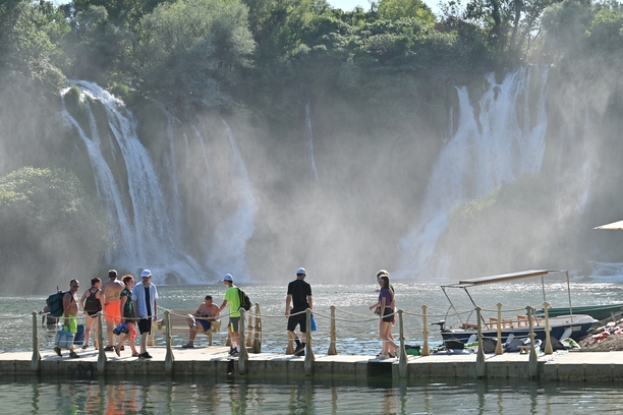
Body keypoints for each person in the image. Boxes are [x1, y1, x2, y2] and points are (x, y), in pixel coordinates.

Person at [285, 267, 313, 356]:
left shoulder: (291, 284)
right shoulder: (307, 285)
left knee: (290, 329)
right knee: (304, 331)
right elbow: (310, 299)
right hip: (305, 309)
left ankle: (299, 345)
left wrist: (286, 310)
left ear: (297, 275)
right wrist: (311, 310)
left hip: (296, 309)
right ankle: (302, 348)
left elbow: (289, 298)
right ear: (304, 275)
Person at [369, 274, 397, 359]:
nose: (379, 282)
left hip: (385, 312)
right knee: (387, 334)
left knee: (382, 335)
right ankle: (385, 353)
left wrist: (381, 316)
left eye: (381, 281)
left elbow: (383, 304)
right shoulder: (389, 290)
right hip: (390, 312)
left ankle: (397, 348)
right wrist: (393, 315)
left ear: (385, 282)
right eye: (379, 281)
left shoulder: (384, 291)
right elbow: (393, 303)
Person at [132, 269, 158, 359]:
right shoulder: (137, 287)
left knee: (146, 333)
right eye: (143, 277)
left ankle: (142, 351)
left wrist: (155, 314)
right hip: (141, 313)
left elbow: (155, 300)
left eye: (146, 277)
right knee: (145, 332)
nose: (145, 279)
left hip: (150, 313)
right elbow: (134, 301)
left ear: (150, 277)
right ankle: (143, 351)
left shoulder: (153, 287)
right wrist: (136, 314)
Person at [53, 279, 81, 358]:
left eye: (77, 286)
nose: (76, 288)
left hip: (73, 317)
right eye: (74, 286)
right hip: (69, 317)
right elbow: (65, 308)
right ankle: (71, 352)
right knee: (71, 334)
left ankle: (58, 348)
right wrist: (66, 319)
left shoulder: (75, 294)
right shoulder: (67, 295)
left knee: (70, 333)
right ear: (70, 285)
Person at [115, 274, 139, 357]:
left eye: (133, 281)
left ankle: (134, 352)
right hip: (127, 314)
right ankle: (118, 346)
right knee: (131, 333)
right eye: (131, 281)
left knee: (131, 333)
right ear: (126, 282)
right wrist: (122, 317)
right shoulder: (125, 292)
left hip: (132, 314)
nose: (133, 282)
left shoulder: (131, 291)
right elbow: (121, 305)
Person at [218, 274, 241, 357]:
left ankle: (239, 350)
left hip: (234, 314)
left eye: (224, 281)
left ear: (227, 281)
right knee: (229, 328)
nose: (224, 283)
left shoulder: (229, 291)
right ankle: (234, 347)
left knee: (235, 332)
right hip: (237, 313)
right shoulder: (236, 289)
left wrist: (218, 312)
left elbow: (224, 304)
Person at [102, 269, 125, 351]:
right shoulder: (122, 284)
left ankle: (110, 345)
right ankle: (121, 344)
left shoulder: (107, 284)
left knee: (109, 326)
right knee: (119, 325)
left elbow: (101, 294)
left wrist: (103, 304)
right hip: (119, 304)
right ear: (116, 276)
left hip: (109, 304)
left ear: (109, 276)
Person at [79, 277, 103, 350]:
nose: (101, 284)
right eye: (100, 282)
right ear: (96, 283)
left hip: (89, 312)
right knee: (97, 329)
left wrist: (84, 309)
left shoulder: (87, 291)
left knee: (88, 329)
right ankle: (96, 345)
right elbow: (103, 302)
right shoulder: (100, 292)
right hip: (98, 312)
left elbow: (81, 301)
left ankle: (87, 343)